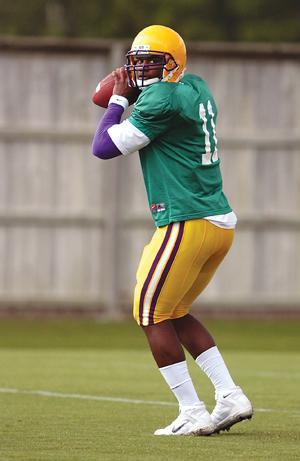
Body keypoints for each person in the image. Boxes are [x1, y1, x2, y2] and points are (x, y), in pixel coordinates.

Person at [92, 25, 253, 436]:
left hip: (187, 220)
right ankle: (230, 395)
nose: (141, 69)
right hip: (217, 222)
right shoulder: (193, 87)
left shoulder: (161, 97)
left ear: (172, 65)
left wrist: (115, 99)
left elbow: (104, 147)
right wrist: (123, 94)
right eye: (137, 60)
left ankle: (192, 410)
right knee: (173, 312)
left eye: (150, 61)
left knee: (148, 312)